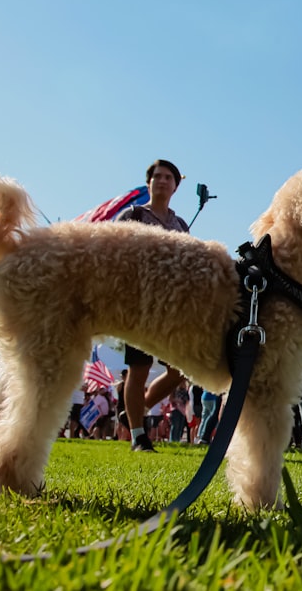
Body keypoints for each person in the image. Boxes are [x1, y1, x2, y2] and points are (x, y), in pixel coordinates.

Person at [115, 159, 191, 452]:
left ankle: (139, 405)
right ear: (149, 183)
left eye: (168, 177)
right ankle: (138, 435)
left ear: (175, 185)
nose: (161, 181)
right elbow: (114, 254)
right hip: (139, 303)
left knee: (179, 369)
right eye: (157, 176)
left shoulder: (180, 224)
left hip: (172, 307)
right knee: (140, 366)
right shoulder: (132, 215)